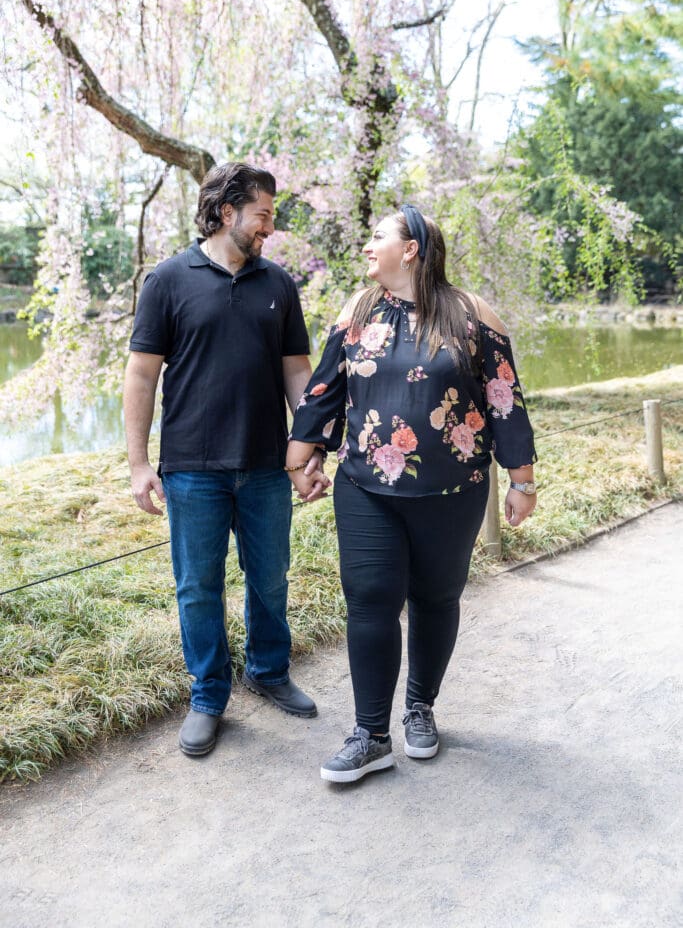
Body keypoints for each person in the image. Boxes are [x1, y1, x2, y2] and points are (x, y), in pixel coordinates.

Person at [286, 204, 537, 783]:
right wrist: (303, 456)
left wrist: (520, 478)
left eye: (378, 238)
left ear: (412, 249)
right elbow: (325, 388)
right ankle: (370, 734)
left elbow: (504, 398)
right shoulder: (358, 311)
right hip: (366, 487)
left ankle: (420, 709)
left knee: (436, 597)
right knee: (370, 598)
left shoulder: (472, 315)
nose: (367, 247)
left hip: (453, 490)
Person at [123, 162, 328, 758]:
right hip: (191, 467)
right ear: (226, 211)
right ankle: (209, 695)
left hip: (267, 463)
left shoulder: (278, 285)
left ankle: (268, 670)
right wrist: (139, 464)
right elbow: (141, 374)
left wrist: (307, 449)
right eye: (263, 213)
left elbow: (297, 370)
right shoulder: (167, 280)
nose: (270, 225)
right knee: (197, 588)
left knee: (270, 576)